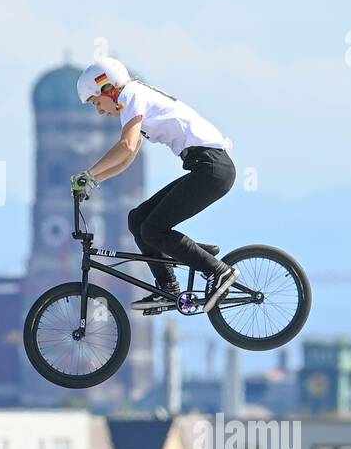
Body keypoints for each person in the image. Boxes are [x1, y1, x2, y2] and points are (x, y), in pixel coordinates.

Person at [71, 56, 239, 313]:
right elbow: (127, 159)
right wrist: (94, 181)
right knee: (138, 219)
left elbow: (125, 145)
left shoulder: (131, 95)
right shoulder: (132, 101)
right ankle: (168, 288)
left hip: (212, 168)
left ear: (108, 88)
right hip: (206, 167)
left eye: (96, 102)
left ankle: (218, 271)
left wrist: (89, 173)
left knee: (153, 229)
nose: (100, 111)